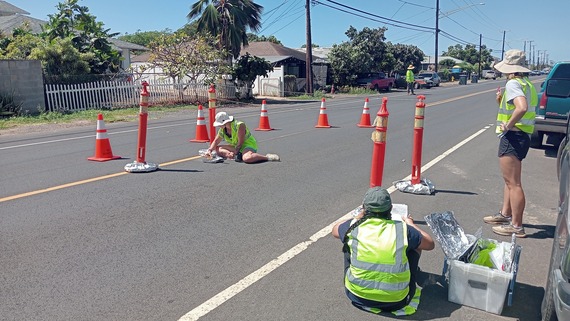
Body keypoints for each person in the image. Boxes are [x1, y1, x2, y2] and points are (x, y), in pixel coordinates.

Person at [331, 187, 435, 315]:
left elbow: (335, 230)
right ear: (390, 208)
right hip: (396, 301)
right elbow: (429, 244)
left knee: (348, 241)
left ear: (364, 208)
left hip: (356, 295)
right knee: (416, 244)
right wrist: (410, 223)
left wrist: (357, 217)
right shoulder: (403, 229)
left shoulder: (354, 226)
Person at [483, 49, 538, 238]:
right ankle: (505, 214)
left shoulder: (513, 83)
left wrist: (508, 124)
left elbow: (521, 107)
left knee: (513, 183)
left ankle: (516, 225)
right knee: (509, 181)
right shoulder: (526, 84)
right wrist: (502, 102)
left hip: (514, 136)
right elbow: (521, 106)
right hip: (522, 136)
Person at [206, 111, 280, 163]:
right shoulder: (223, 130)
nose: (219, 126)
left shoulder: (239, 125)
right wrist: (209, 150)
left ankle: (267, 157)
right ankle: (230, 155)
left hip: (247, 145)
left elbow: (240, 143)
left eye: (219, 124)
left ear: (225, 122)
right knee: (217, 148)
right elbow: (216, 141)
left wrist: (235, 152)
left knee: (247, 158)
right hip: (236, 146)